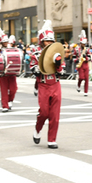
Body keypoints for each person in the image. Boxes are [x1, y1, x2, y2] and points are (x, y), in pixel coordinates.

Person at [31, 20, 65, 149]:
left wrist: (58, 64)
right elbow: (34, 70)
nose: (49, 43)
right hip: (44, 84)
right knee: (44, 112)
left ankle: (52, 139)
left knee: (55, 115)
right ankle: (38, 128)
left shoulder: (58, 54)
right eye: (46, 41)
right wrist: (43, 64)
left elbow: (62, 72)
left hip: (55, 84)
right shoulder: (36, 54)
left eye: (51, 41)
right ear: (41, 41)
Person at [74, 30, 90, 97]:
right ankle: (78, 85)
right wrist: (76, 60)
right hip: (80, 65)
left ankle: (86, 91)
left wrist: (86, 58)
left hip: (85, 64)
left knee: (86, 78)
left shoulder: (87, 49)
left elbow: (89, 57)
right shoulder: (76, 49)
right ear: (80, 43)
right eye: (83, 43)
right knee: (81, 77)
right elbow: (74, 57)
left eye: (84, 44)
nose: (84, 45)